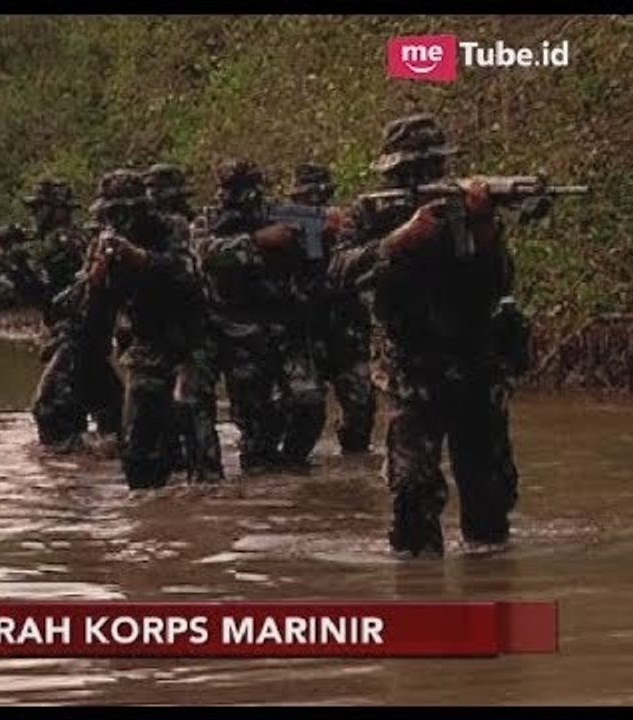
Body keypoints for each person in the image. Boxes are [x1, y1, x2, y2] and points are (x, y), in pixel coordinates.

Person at [328, 114, 524, 556]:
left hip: (476, 363)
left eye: (431, 168)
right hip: (410, 368)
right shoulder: (370, 214)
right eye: (410, 171)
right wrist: (399, 240)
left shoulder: (471, 210)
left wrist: (483, 227)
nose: (422, 178)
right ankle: (419, 595)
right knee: (413, 492)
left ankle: (489, 596)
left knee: (489, 500)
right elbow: (338, 272)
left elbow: (500, 283)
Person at [83, 169, 211, 489]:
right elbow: (94, 316)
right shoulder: (102, 241)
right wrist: (96, 281)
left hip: (191, 339)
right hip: (147, 344)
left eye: (125, 212)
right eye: (111, 213)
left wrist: (140, 258)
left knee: (193, 426)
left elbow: (188, 275)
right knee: (138, 453)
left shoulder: (174, 227)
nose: (118, 220)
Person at [0, 179, 122, 452]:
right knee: (111, 413)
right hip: (85, 336)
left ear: (57, 210)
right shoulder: (65, 240)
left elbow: (37, 289)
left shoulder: (62, 242)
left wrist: (1, 254)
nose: (34, 214)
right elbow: (16, 286)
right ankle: (102, 464)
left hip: (77, 335)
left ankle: (73, 471)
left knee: (50, 411)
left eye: (39, 208)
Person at [192, 159, 314, 472]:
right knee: (257, 427)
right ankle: (265, 493)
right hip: (238, 333)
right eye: (231, 189)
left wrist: (318, 233)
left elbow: (316, 255)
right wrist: (259, 241)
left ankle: (294, 467)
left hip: (286, 327)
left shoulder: (281, 214)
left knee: (308, 402)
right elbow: (206, 255)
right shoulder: (208, 221)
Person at [142, 163, 224, 482]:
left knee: (191, 406)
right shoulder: (144, 233)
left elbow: (196, 270)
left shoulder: (196, 226)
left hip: (195, 330)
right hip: (155, 333)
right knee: (159, 412)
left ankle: (206, 481)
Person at [287, 163, 376, 454]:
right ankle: (292, 471)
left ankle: (353, 466)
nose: (315, 199)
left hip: (345, 329)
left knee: (361, 406)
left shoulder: (347, 222)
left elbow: (362, 258)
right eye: (307, 195)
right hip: (303, 332)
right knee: (307, 409)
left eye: (321, 193)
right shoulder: (283, 225)